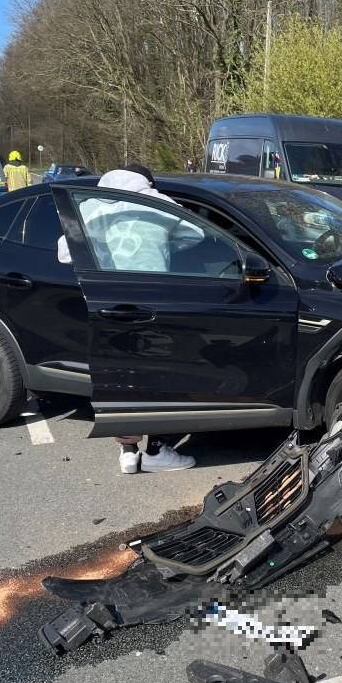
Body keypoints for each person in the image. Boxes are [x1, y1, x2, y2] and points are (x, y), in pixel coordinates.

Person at [56, 164, 198, 474]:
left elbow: (65, 254)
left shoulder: (91, 206)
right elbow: (196, 233)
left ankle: (128, 452)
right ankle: (158, 450)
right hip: (152, 298)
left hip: (108, 301)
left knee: (122, 379)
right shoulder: (157, 201)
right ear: (148, 180)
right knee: (158, 375)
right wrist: (164, 243)